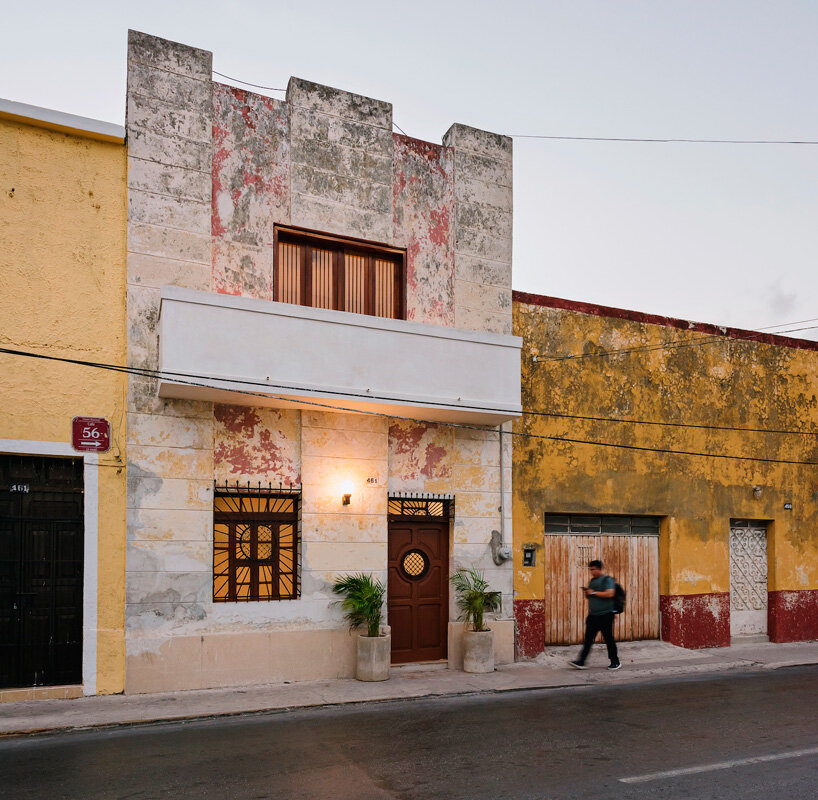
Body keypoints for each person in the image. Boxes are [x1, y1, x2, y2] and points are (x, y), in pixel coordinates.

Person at [570, 559, 621, 670]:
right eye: (590, 569)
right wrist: (588, 593)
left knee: (608, 639)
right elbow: (592, 597)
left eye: (593, 569)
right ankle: (581, 661)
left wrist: (593, 592)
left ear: (599, 569)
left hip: (605, 615)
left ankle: (615, 662)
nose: (591, 571)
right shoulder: (592, 581)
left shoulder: (607, 580)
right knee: (588, 639)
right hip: (593, 616)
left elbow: (610, 593)